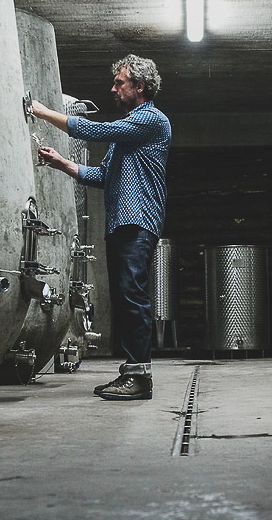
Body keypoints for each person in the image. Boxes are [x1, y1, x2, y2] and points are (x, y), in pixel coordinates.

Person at [33, 54, 170, 401]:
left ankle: (140, 378)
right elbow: (104, 176)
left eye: (119, 83)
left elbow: (95, 129)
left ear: (139, 87)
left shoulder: (152, 121)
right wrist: (62, 163)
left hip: (138, 221)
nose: (113, 88)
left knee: (133, 297)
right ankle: (131, 370)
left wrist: (42, 111)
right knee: (125, 300)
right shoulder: (126, 135)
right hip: (121, 223)